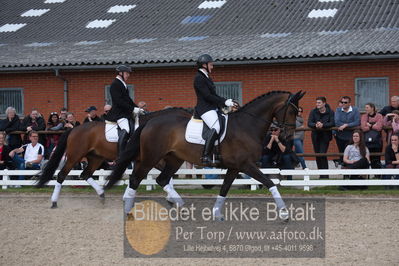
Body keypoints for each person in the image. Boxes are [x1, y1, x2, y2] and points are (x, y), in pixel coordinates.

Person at [193, 54, 238, 165]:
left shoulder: (206, 77)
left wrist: (226, 101)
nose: (212, 67)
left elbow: (214, 95)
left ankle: (218, 153)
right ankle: (205, 156)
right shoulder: (199, 78)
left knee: (226, 121)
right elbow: (207, 96)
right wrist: (224, 102)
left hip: (212, 107)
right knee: (216, 127)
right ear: (204, 65)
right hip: (204, 109)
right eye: (211, 65)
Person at [106, 65, 144, 157]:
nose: (128, 75)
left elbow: (128, 100)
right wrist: (132, 109)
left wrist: (137, 108)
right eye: (127, 73)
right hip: (119, 113)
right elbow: (119, 101)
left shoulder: (123, 84)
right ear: (120, 73)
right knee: (126, 129)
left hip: (125, 112)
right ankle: (120, 155)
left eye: (128, 73)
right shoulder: (115, 84)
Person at [307, 97, 335, 179]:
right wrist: (316, 125)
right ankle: (321, 175)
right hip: (316, 136)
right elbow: (309, 123)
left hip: (325, 136)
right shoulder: (313, 111)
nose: (317, 104)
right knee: (318, 155)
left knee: (322, 154)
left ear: (324, 103)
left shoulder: (330, 112)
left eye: (319, 103)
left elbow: (333, 123)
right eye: (316, 103)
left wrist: (323, 125)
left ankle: (325, 175)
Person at [335, 96, 360, 164]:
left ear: (349, 103)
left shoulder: (355, 110)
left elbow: (357, 122)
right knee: (342, 155)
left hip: (351, 137)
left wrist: (346, 125)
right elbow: (337, 121)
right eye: (342, 102)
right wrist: (347, 124)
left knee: (351, 154)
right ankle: (344, 173)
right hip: (340, 136)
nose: (343, 104)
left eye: (345, 102)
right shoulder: (338, 110)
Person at [360, 103, 383, 170]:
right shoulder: (364, 116)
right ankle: (366, 175)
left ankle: (377, 175)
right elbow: (363, 128)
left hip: (377, 141)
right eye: (365, 107)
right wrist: (373, 125)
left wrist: (369, 125)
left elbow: (379, 127)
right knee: (366, 158)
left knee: (376, 159)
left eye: (367, 107)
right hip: (366, 141)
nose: (365, 109)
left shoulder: (379, 116)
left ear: (372, 108)